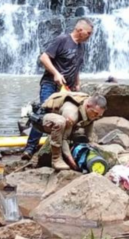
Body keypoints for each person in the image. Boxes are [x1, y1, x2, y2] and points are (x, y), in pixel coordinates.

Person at [22, 18, 95, 160]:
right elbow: (44, 57)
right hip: (50, 84)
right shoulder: (62, 40)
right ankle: (30, 148)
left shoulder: (81, 46)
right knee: (45, 113)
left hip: (68, 89)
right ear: (80, 30)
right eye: (89, 33)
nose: (90, 36)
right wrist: (56, 73)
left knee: (68, 116)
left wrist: (77, 84)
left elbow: (76, 66)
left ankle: (63, 147)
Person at [40, 92, 107, 170]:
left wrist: (92, 144)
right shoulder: (72, 113)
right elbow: (64, 139)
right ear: (87, 106)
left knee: (78, 134)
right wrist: (71, 160)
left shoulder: (91, 111)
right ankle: (56, 159)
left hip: (65, 123)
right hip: (43, 119)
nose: (96, 117)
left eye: (99, 116)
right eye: (95, 114)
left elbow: (89, 135)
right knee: (60, 122)